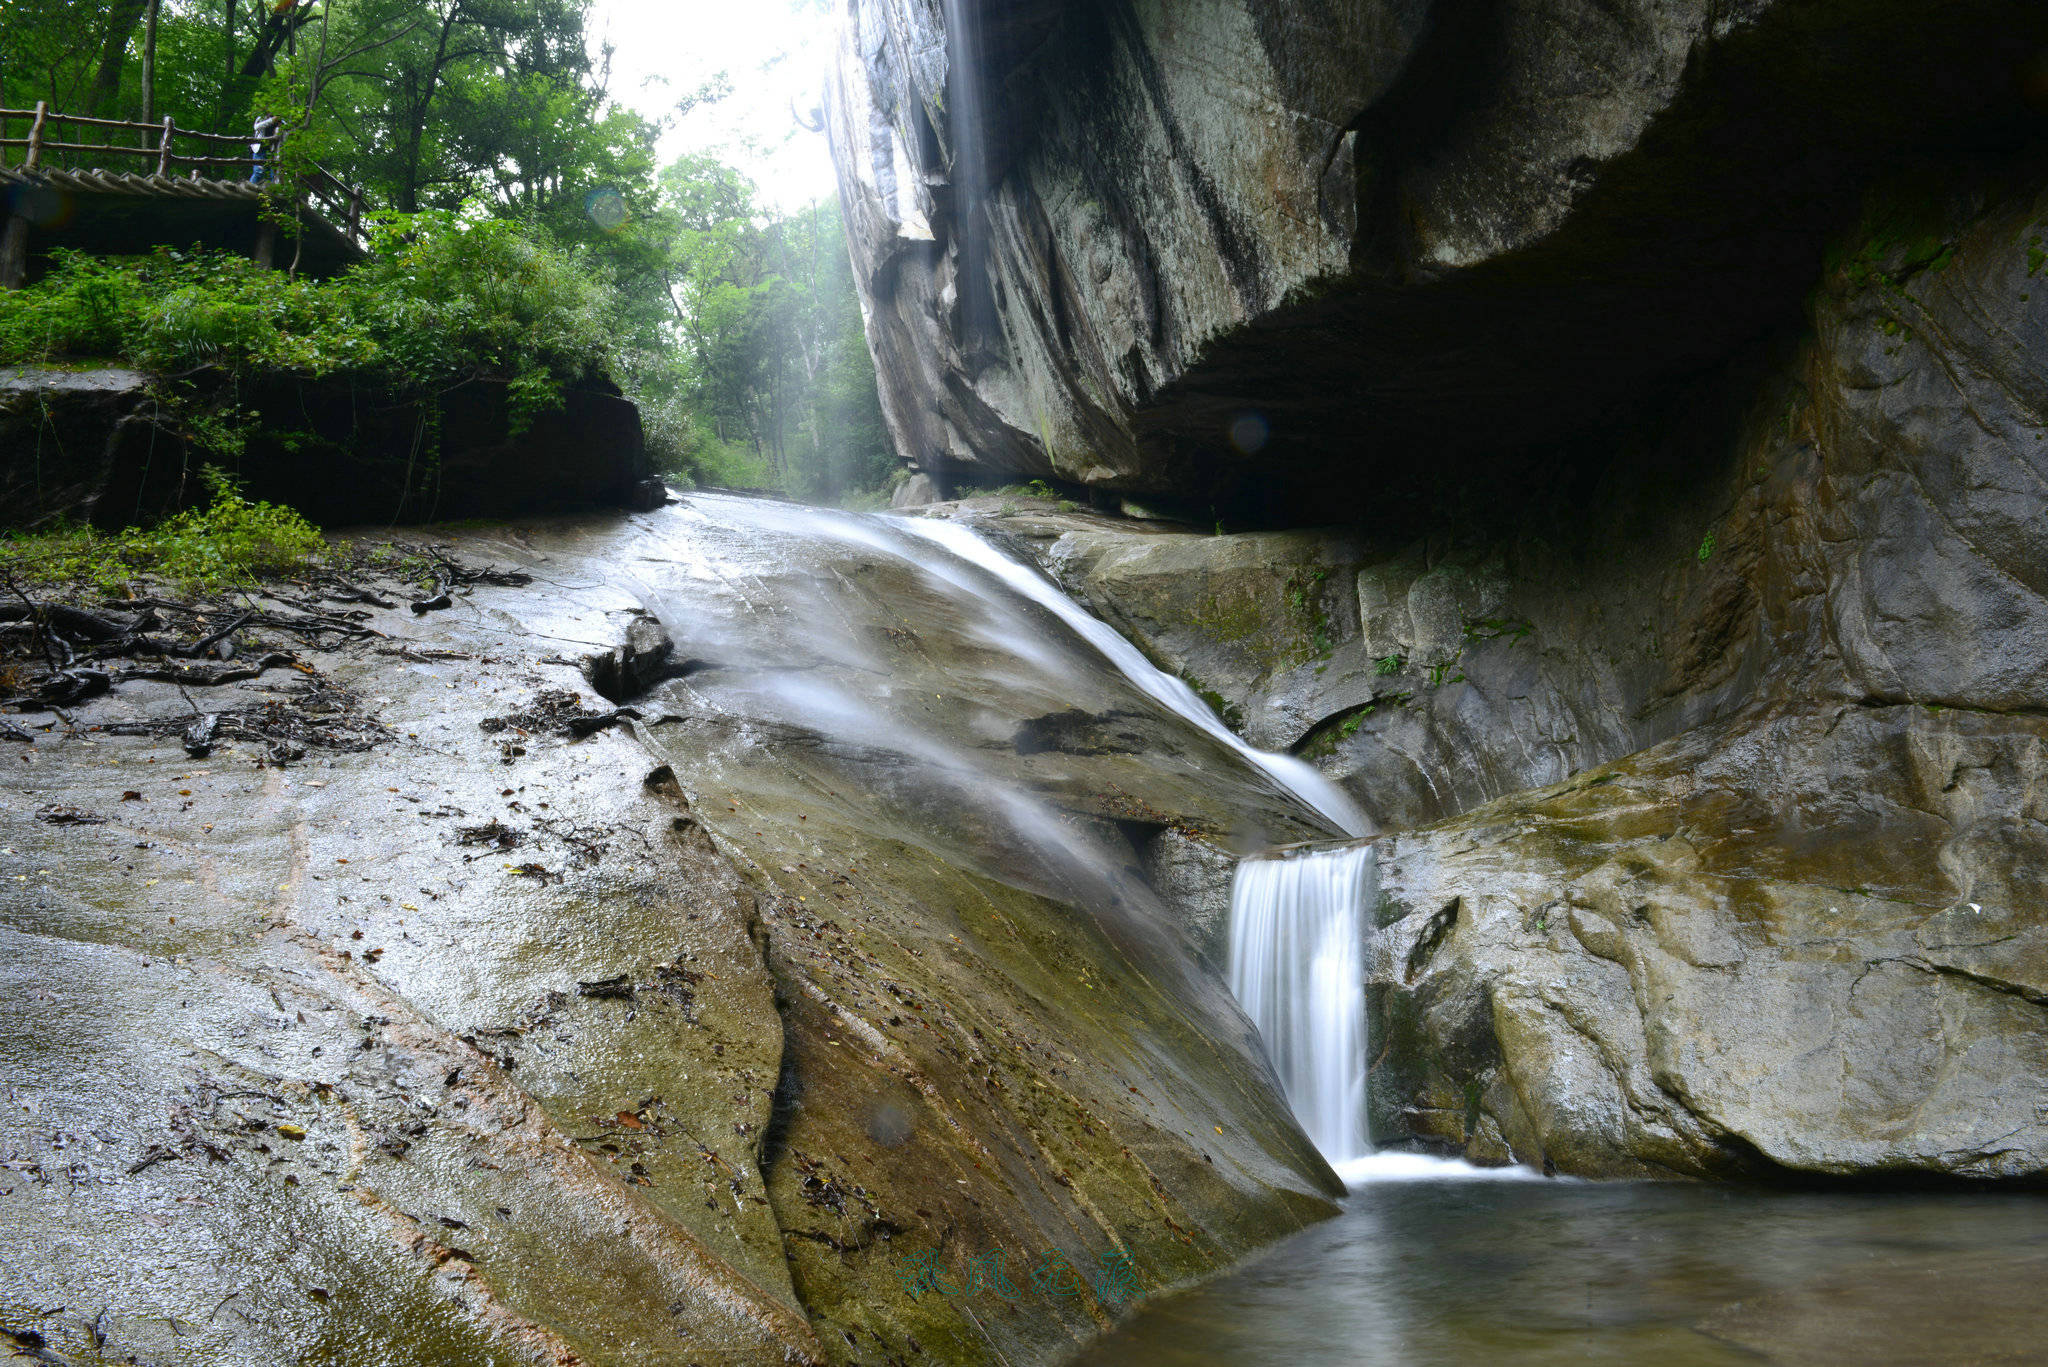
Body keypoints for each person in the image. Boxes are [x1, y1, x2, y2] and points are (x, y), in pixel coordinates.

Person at [250, 115, 280, 184]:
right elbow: (256, 127)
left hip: (271, 151)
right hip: (259, 149)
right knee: (258, 172)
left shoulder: (280, 120)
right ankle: (249, 189)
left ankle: (271, 192)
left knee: (274, 174)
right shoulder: (261, 117)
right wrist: (271, 121)